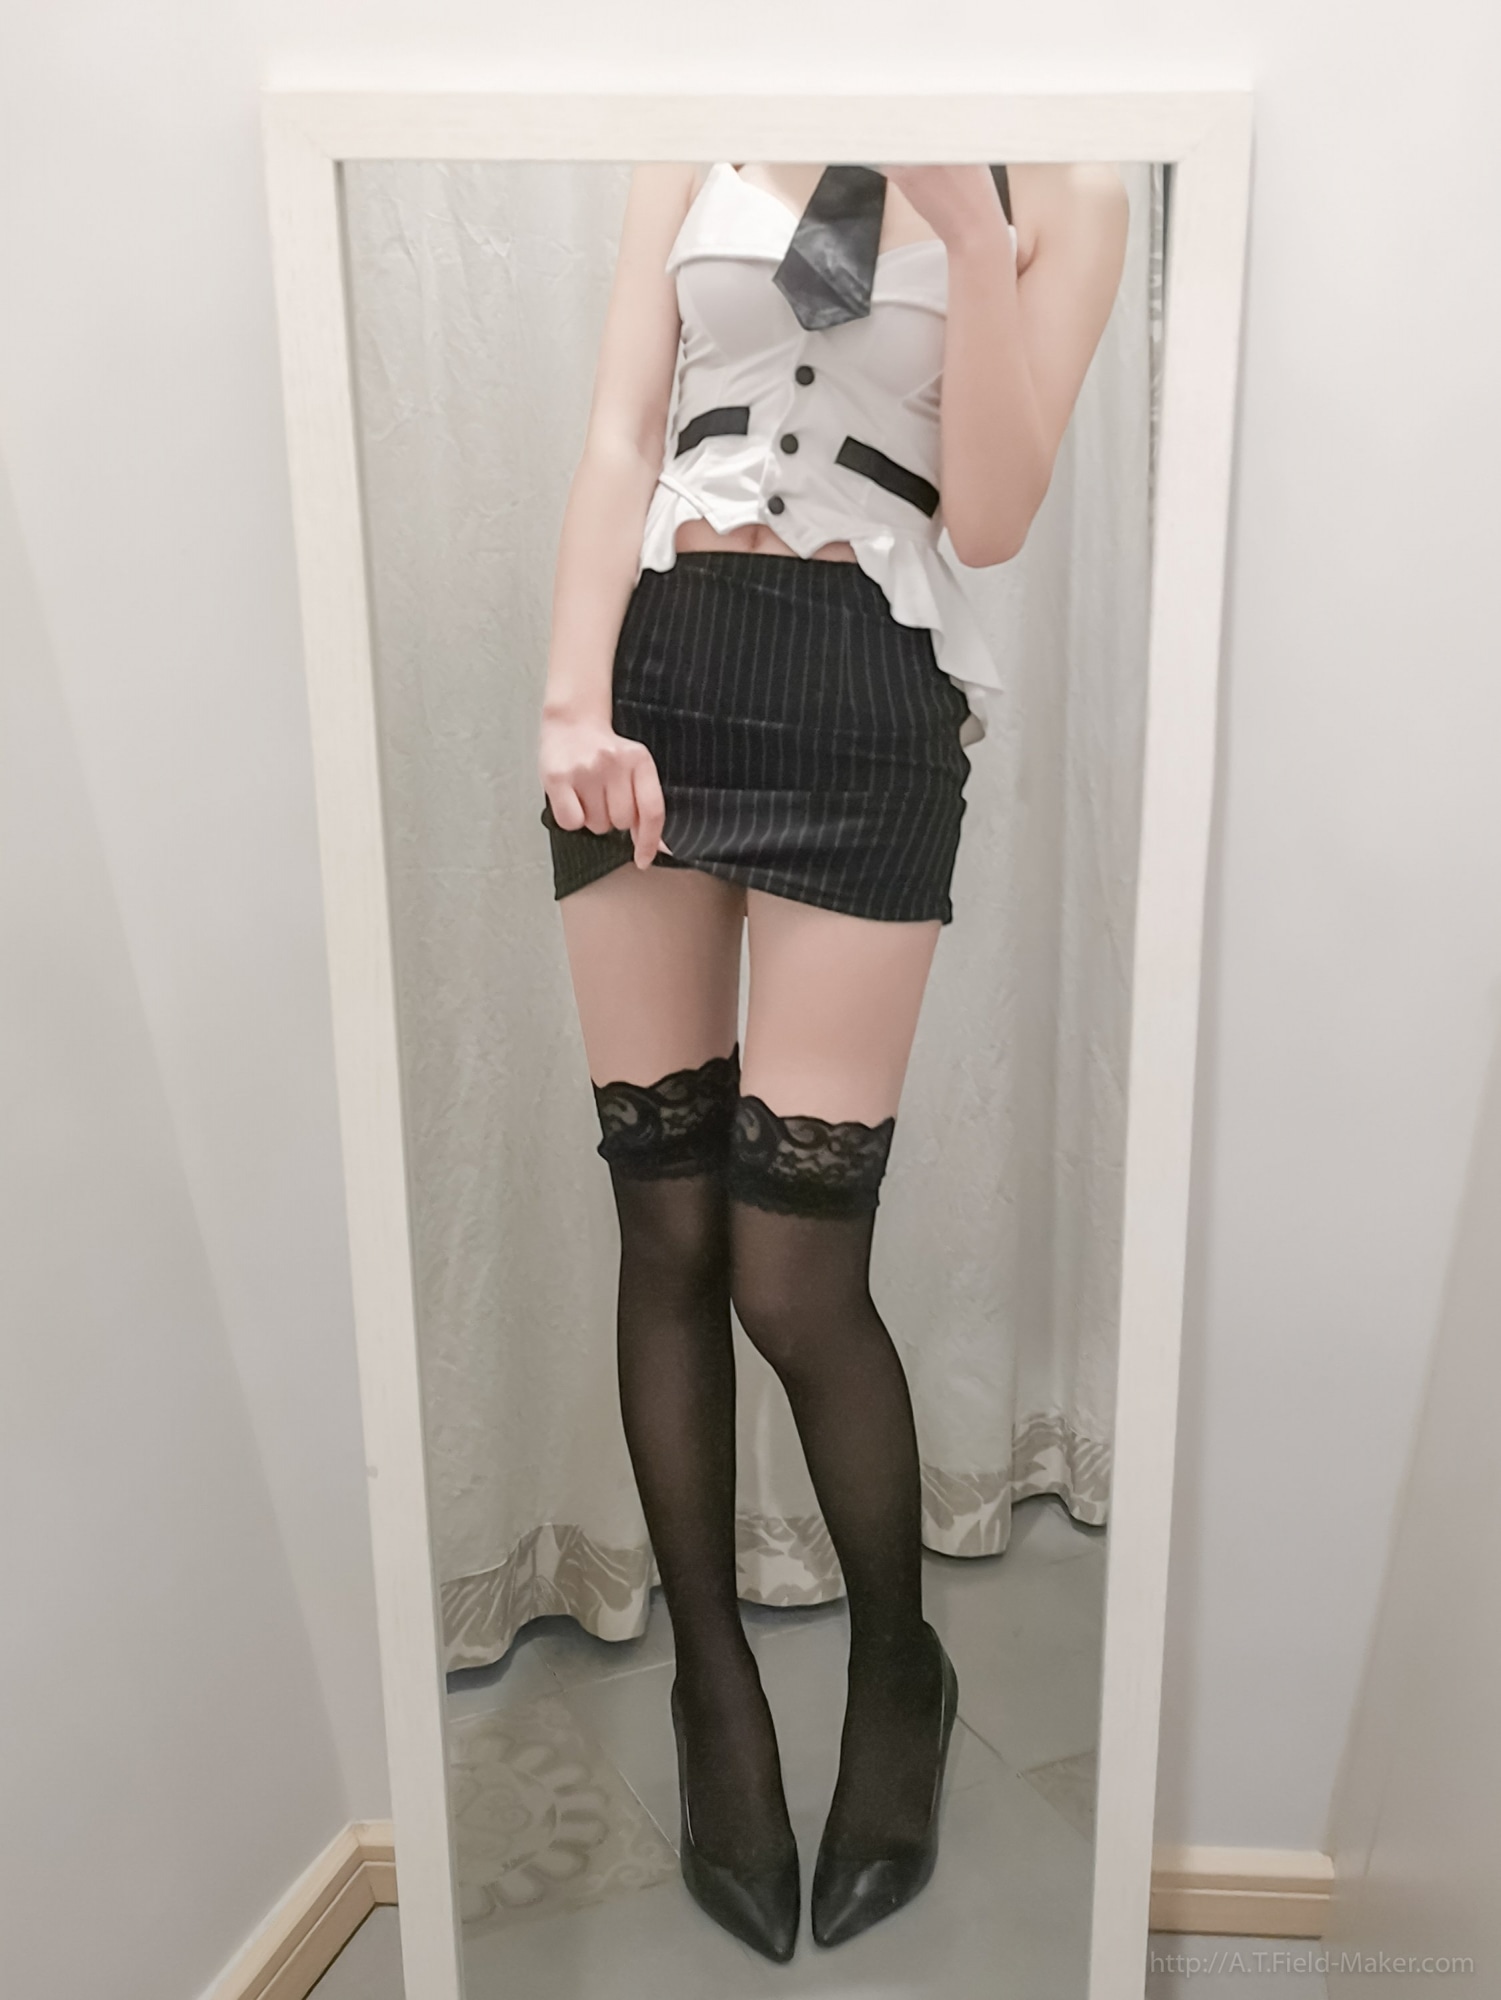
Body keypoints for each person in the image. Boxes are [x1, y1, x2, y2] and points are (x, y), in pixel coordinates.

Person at [536, 158, 1128, 1961]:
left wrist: (973, 224)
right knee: (665, 1234)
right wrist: (570, 697)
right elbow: (622, 426)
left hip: (868, 696)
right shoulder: (698, 131)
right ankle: (713, 1690)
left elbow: (997, 516)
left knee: (792, 1275)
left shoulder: (1064, 186)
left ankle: (895, 1667)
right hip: (653, 685)